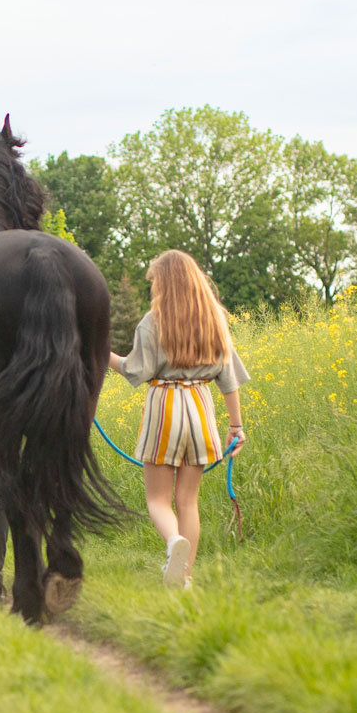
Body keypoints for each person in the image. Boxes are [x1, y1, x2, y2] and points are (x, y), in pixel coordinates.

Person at [107, 250, 249, 588]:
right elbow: (228, 379)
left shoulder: (153, 320)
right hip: (201, 406)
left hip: (165, 405)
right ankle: (184, 578)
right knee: (188, 500)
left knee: (157, 499)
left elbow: (135, 370)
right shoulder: (215, 318)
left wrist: (100, 352)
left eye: (155, 283)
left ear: (165, 285)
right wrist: (236, 427)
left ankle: (173, 544)